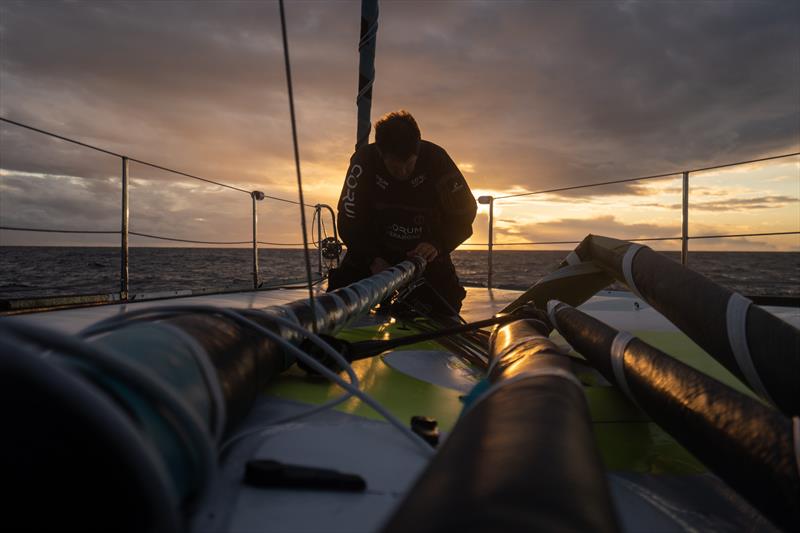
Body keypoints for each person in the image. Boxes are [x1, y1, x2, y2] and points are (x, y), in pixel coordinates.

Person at [328, 110, 477, 315]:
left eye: (409, 165)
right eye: (395, 167)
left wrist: (437, 244)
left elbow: (464, 214)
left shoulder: (437, 161)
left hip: (424, 253)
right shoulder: (363, 162)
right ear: (381, 154)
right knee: (335, 303)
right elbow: (348, 220)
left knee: (447, 305)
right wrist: (372, 259)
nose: (403, 173)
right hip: (373, 250)